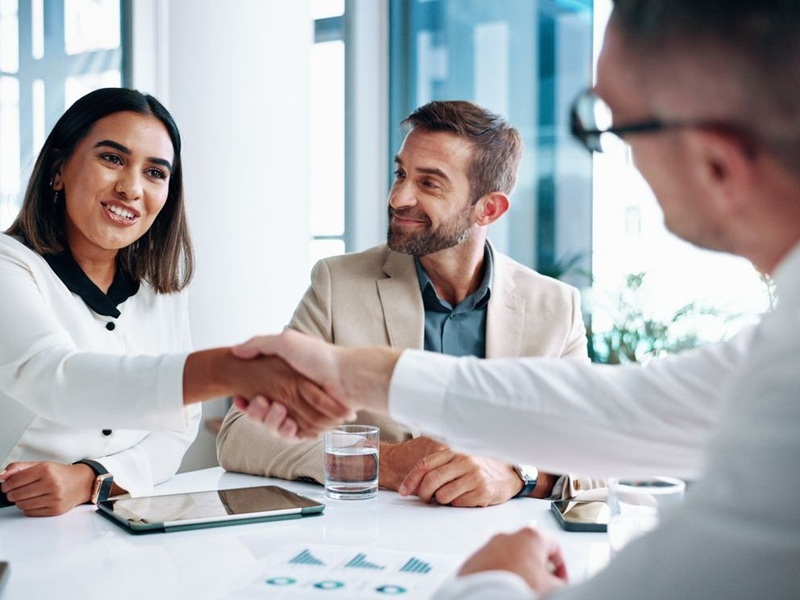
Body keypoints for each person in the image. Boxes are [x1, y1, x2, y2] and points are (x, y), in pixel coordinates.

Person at [229, 0, 800, 598]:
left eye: (615, 125)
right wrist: (361, 381)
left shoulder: (778, 390)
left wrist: (501, 557)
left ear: (718, 163)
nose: (399, 196)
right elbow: (630, 409)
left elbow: (619, 455)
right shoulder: (772, 351)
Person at [217, 100, 602, 506]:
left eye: (429, 183)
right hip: (378, 549)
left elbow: (596, 454)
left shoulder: (556, 307)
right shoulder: (338, 285)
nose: (398, 197)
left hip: (506, 550)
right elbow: (241, 433)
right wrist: (387, 462)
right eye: (401, 174)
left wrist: (516, 475)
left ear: (488, 208)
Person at [0, 87, 349, 517]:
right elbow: (58, 378)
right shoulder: (10, 266)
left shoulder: (160, 289)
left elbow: (177, 431)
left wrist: (94, 478)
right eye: (112, 159)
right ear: (58, 169)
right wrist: (226, 370)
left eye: (155, 173)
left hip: (107, 519)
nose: (131, 188)